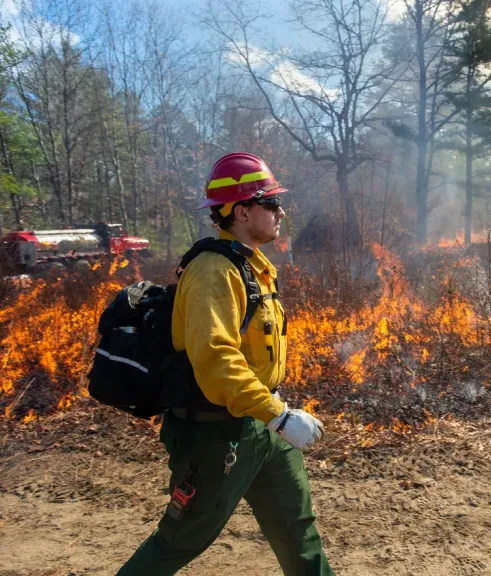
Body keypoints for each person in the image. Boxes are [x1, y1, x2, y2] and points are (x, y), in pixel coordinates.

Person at [118, 152, 334, 575]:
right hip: (216, 434)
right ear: (242, 211)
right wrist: (279, 416)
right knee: (179, 541)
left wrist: (273, 414)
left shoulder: (250, 265)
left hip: (261, 423)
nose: (280, 212)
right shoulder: (213, 272)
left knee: (298, 533)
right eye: (271, 203)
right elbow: (217, 360)